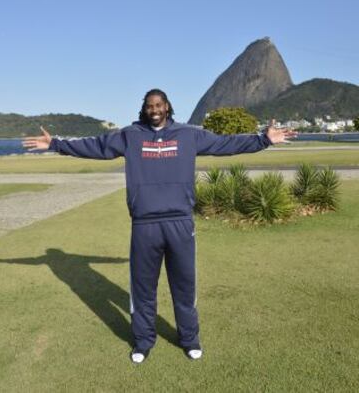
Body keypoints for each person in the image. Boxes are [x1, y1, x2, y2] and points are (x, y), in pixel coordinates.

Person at [23, 89, 297, 364]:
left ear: (167, 107)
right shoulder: (130, 136)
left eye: (158, 104)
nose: (154, 109)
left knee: (184, 286)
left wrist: (264, 139)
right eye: (149, 105)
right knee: (143, 289)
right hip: (145, 224)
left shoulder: (188, 135)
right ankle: (143, 342)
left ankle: (189, 340)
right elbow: (96, 146)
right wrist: (56, 144)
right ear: (144, 109)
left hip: (180, 222)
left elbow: (224, 144)